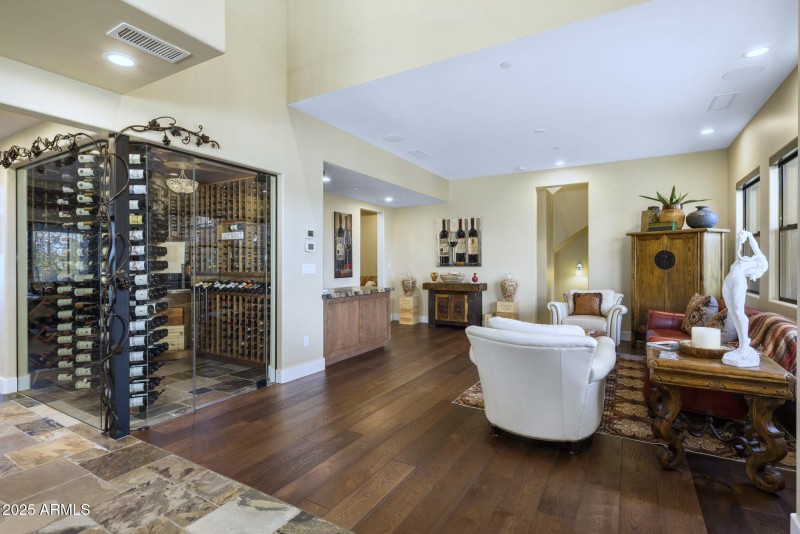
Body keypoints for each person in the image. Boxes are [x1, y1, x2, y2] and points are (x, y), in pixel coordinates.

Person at [721, 230, 768, 367]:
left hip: (737, 282)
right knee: (732, 312)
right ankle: (743, 344)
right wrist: (748, 235)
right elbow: (754, 245)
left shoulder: (758, 263)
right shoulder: (754, 259)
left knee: (737, 310)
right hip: (728, 281)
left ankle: (743, 345)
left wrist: (748, 237)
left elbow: (754, 247)